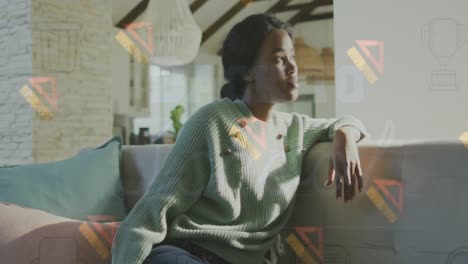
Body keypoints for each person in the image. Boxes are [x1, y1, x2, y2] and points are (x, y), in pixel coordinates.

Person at [111, 13, 369, 264]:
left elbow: (350, 121)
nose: (293, 68)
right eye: (280, 59)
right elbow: (153, 210)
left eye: (292, 57)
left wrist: (344, 135)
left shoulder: (295, 128)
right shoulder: (213, 121)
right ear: (247, 72)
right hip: (186, 253)